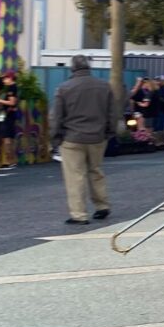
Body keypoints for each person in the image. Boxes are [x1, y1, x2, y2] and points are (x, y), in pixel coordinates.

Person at [51, 54, 117, 225]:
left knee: (75, 176)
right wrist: (109, 133)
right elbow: (112, 113)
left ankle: (79, 214)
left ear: (72, 68)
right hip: (97, 137)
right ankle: (102, 206)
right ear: (89, 67)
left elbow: (56, 117)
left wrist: (55, 138)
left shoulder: (64, 88)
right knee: (96, 171)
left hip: (72, 138)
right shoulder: (104, 86)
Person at [0, 70, 18, 168]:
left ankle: (10, 161)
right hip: (8, 115)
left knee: (7, 138)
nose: (4, 80)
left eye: (5, 78)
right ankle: (9, 160)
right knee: (6, 138)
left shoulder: (12, 88)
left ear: (10, 78)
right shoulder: (10, 88)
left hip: (9, 116)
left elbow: (12, 102)